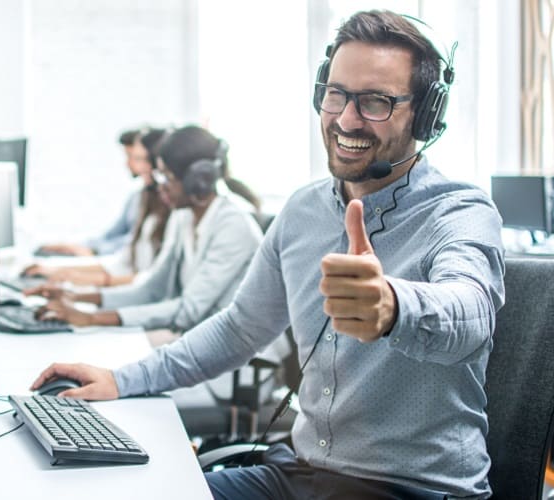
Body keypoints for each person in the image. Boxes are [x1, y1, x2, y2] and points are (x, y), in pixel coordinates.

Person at [30, 10, 505, 499]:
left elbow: (470, 314)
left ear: (425, 115)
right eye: (336, 94)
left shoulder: (460, 211)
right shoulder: (303, 210)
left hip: (413, 490)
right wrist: (121, 379)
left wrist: (392, 307)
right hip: (299, 475)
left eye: (376, 102)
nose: (345, 118)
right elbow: (240, 328)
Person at [25, 125, 264, 331]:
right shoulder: (184, 218)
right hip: (197, 337)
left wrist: (90, 318)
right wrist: (76, 298)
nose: (160, 186)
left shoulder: (233, 226)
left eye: (167, 177)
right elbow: (152, 289)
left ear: (197, 181)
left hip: (235, 362)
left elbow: (189, 310)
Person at [25, 128, 172, 286]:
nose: (135, 166)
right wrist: (57, 270)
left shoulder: (171, 214)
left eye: (140, 159)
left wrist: (74, 276)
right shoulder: (143, 198)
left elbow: (148, 279)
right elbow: (122, 260)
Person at [35, 128, 147, 257]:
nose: (127, 164)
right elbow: (111, 235)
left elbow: (136, 243)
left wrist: (95, 251)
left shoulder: (162, 201)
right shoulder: (136, 197)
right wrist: (74, 246)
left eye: (133, 157)